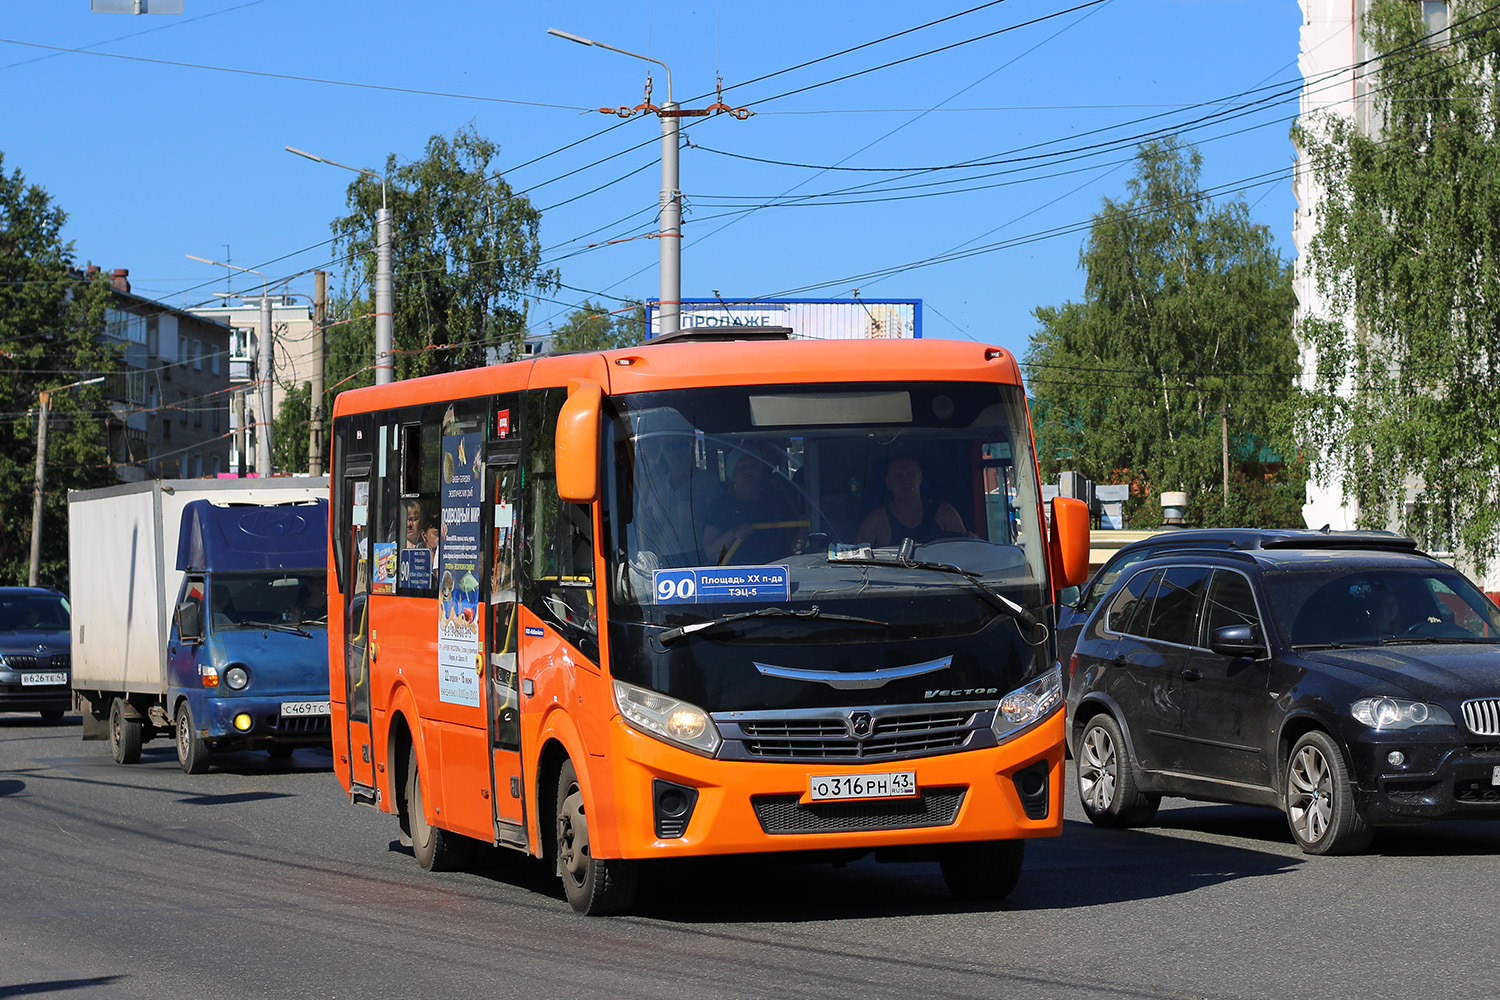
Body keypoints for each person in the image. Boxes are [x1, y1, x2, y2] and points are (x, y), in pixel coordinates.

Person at [704, 452, 798, 565]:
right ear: (732, 474)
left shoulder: (776, 503)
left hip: (777, 573)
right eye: (742, 467)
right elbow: (711, 551)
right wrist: (733, 534)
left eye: (753, 466)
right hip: (734, 576)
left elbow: (794, 543)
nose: (749, 472)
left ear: (760, 472)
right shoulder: (720, 507)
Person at [856, 456, 967, 547]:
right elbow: (856, 558)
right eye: (898, 476)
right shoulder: (876, 521)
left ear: (920, 478)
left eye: (910, 474)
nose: (906, 481)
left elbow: (964, 550)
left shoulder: (944, 513)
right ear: (888, 482)